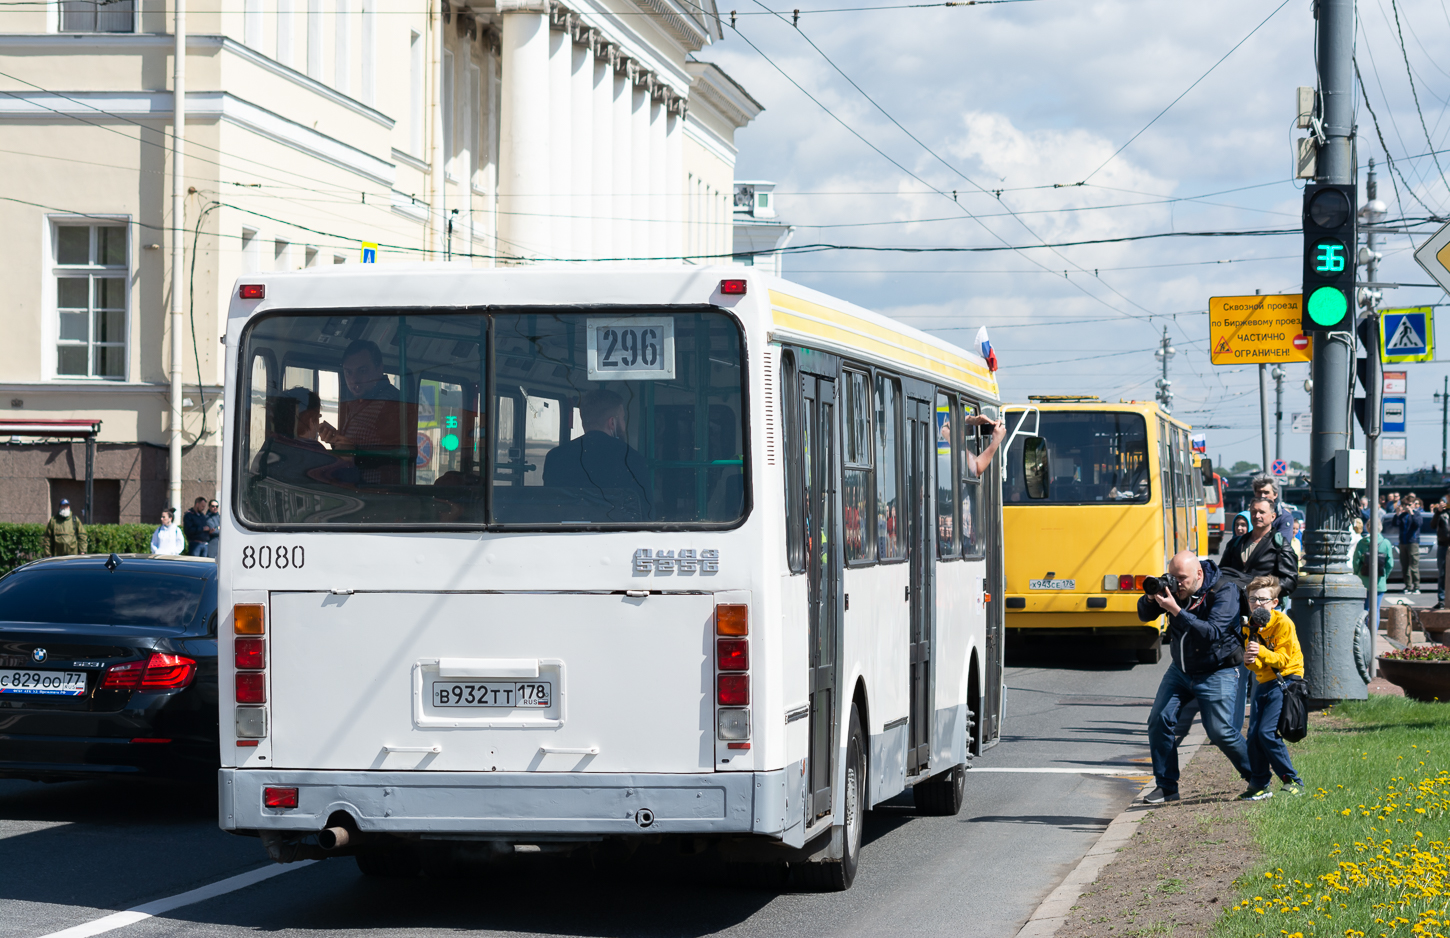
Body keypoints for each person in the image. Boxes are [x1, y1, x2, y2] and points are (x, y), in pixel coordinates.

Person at [1139, 550, 1253, 804]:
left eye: (1182, 579)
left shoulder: (1225, 591)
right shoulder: (1174, 590)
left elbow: (1212, 632)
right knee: (1159, 720)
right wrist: (1150, 598)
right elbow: (1144, 615)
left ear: (1199, 574)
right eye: (1173, 577)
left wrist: (1176, 610)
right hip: (1181, 670)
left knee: (1220, 731)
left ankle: (1257, 778)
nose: (1177, 584)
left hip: (1217, 669)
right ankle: (1167, 787)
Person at [1240, 577, 1306, 800]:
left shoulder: (1283, 623)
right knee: (1253, 736)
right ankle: (1259, 783)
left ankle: (1293, 780)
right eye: (1252, 599)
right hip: (1265, 681)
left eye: (1263, 600)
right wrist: (1249, 658)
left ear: (1275, 602)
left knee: (1266, 732)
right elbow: (1257, 666)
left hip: (1287, 679)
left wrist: (1258, 651)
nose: (1257, 604)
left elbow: (1283, 661)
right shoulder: (1252, 624)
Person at [542, 388, 652, 518]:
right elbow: (646, 514)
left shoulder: (555, 456)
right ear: (612, 422)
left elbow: (549, 508)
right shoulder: (632, 459)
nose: (624, 424)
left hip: (565, 535)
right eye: (622, 418)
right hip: (619, 536)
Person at [319, 340, 408, 484]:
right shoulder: (360, 401)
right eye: (348, 372)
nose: (354, 380)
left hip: (378, 496)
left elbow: (396, 459)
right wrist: (336, 441)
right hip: (358, 492)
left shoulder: (392, 403)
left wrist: (354, 455)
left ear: (379, 369)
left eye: (362, 371)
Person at [1220, 498, 1299, 597]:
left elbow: (1290, 581)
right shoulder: (1235, 543)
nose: (1257, 516)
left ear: (1273, 516)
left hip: (1263, 606)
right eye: (1254, 512)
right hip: (1234, 604)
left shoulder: (1280, 545)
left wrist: (1264, 591)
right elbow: (1222, 572)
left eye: (1262, 512)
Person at [1353, 522, 1395, 613]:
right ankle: (1374, 627)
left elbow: (1356, 562)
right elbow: (1390, 564)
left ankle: (1365, 627)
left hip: (1363, 580)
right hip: (1379, 581)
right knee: (1376, 609)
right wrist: (1384, 576)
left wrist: (1357, 574)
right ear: (1380, 527)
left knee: (1365, 609)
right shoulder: (1386, 543)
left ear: (1368, 528)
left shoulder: (1362, 543)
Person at [1390, 496, 1424, 594]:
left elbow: (1417, 524)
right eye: (1405, 505)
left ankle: (1416, 586)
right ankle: (1408, 586)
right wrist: (1397, 513)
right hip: (1403, 542)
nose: (1407, 507)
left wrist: (1412, 513)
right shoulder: (1402, 515)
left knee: (1413, 565)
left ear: (1413, 504)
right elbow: (1395, 524)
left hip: (1412, 542)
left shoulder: (1417, 514)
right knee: (1404, 565)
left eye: (1409, 505)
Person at [1250, 476, 1295, 540]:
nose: (1262, 496)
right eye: (1259, 492)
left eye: (1266, 492)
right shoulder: (1250, 516)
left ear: (1275, 495)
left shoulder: (1284, 517)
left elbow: (1282, 545)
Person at [1434, 498, 1450, 610]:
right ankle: (1442, 600)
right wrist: (1438, 512)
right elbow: (1432, 525)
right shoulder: (1441, 513)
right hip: (1443, 545)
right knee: (1442, 573)